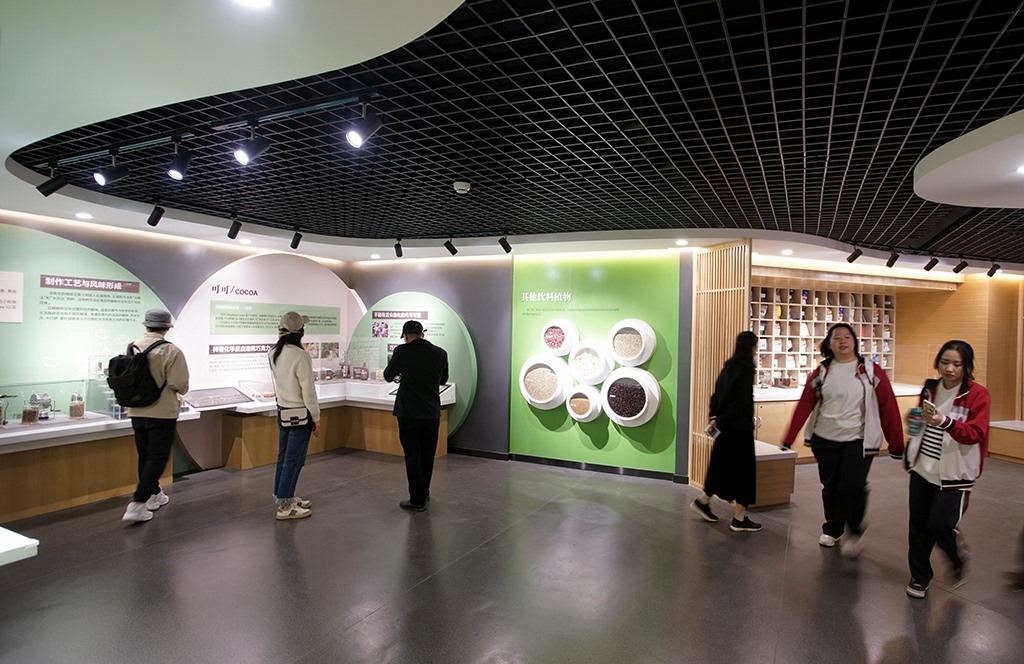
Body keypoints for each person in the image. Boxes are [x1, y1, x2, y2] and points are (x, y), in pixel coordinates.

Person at [781, 322, 904, 557]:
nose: (842, 341)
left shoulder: (871, 371)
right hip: (825, 439)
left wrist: (896, 443)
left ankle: (855, 530)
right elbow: (805, 403)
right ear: (829, 344)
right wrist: (789, 438)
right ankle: (833, 528)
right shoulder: (822, 372)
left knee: (853, 485)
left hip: (858, 440)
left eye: (847, 337)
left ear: (855, 341)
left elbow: (887, 405)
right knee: (831, 487)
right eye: (836, 338)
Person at [903, 340, 990, 598]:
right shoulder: (930, 388)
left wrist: (945, 422)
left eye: (957, 364)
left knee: (941, 524)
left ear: (967, 367)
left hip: (955, 473)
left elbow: (976, 433)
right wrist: (914, 421)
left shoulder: (977, 394)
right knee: (918, 526)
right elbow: (922, 420)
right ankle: (919, 577)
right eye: (945, 362)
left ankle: (957, 559)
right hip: (923, 468)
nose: (949, 369)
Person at [122, 309, 190, 523]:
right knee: (158, 457)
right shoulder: (171, 351)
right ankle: (138, 502)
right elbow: (179, 383)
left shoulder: (132, 347)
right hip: (162, 412)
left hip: (136, 410)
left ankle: (154, 493)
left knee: (145, 455)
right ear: (167, 327)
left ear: (147, 325)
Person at [692, 331, 762, 532]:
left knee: (720, 465)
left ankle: (704, 501)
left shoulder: (728, 367)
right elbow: (741, 403)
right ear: (752, 348)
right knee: (744, 473)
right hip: (740, 428)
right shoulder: (746, 370)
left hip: (724, 427)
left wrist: (715, 417)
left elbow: (717, 395)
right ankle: (739, 518)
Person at [383, 320, 449, 512]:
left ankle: (417, 499)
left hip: (408, 412)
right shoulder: (440, 353)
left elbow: (388, 376)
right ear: (423, 334)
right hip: (431, 411)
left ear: (405, 336)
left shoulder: (402, 351)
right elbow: (443, 379)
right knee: (427, 454)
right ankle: (424, 491)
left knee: (412, 454)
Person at [269, 311, 321, 521]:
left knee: (284, 457)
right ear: (300, 332)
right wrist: (316, 417)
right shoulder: (300, 355)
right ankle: (285, 505)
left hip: (283, 411)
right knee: (294, 459)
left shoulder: (273, 353)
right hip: (300, 414)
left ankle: (283, 496)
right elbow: (308, 390)